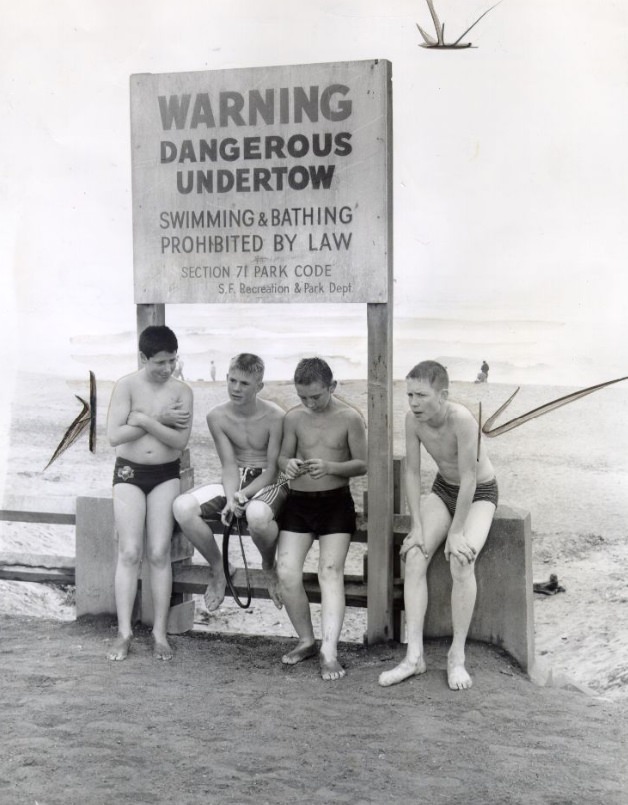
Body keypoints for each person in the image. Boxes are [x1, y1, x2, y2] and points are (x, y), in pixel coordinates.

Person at [378, 360, 498, 691]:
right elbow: (413, 473)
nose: (413, 403)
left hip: (479, 494)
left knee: (461, 560)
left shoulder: (462, 420)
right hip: (444, 490)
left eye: (421, 395)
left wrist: (456, 533)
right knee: (415, 554)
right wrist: (417, 527)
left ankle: (456, 657)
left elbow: (471, 481)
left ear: (442, 394)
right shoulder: (412, 421)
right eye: (409, 395)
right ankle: (414, 657)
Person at [276, 358, 367, 681]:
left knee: (330, 571)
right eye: (303, 397)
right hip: (299, 503)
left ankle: (330, 651)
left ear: (332, 386)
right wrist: (287, 465)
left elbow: (362, 463)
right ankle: (307, 640)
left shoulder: (349, 417)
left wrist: (331, 467)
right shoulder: (294, 417)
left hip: (335, 503)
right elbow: (283, 456)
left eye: (316, 396)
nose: (310, 403)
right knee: (286, 571)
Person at [173, 353, 287, 610]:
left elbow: (272, 470)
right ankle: (219, 567)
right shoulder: (217, 416)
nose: (236, 388)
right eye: (232, 380)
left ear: (259, 386)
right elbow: (228, 465)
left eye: (244, 384)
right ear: (226, 378)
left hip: (268, 482)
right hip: (235, 479)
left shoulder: (276, 416)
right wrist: (231, 495)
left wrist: (242, 495)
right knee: (182, 507)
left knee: (257, 517)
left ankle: (269, 564)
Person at [106, 325, 193, 661]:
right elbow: (115, 436)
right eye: (159, 362)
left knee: (158, 553)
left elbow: (178, 441)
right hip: (128, 473)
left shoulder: (182, 392)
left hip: (165, 474)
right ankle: (124, 632)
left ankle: (160, 633)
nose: (167, 368)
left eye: (172, 360)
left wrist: (143, 420)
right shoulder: (126, 385)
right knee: (129, 552)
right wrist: (158, 418)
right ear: (143, 357)